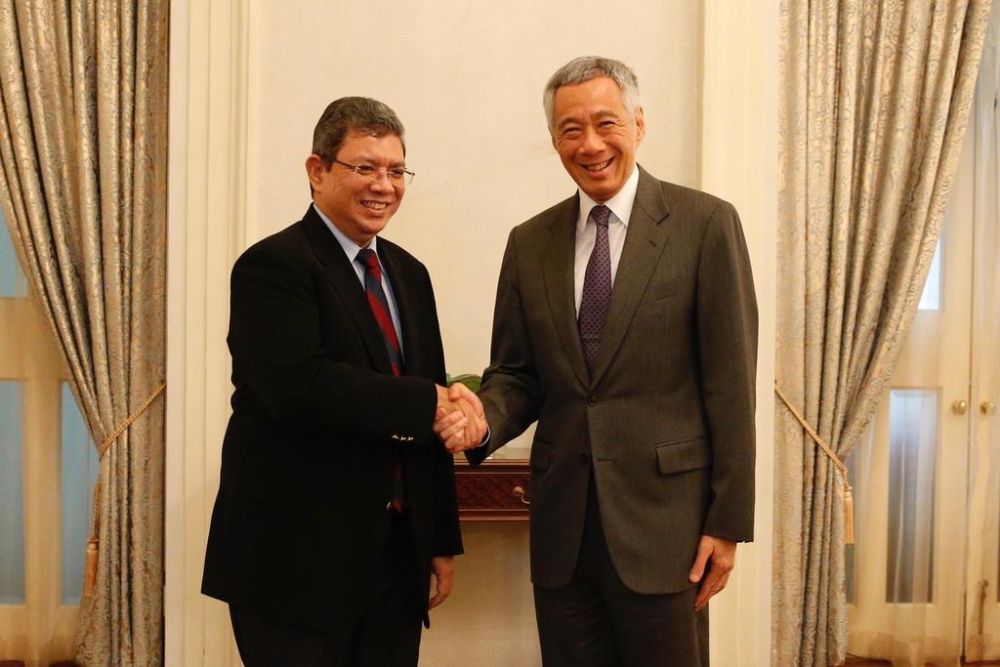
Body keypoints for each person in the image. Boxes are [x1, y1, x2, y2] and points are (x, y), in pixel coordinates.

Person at [443, 56, 758, 666]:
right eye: (570, 129)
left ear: (638, 123)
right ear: (554, 139)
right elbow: (518, 374)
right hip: (564, 531)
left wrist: (727, 523)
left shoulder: (705, 225)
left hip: (666, 529)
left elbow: (731, 387)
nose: (589, 144)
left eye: (605, 123)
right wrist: (482, 415)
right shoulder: (529, 242)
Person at [202, 96, 485, 667]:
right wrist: (430, 400)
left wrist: (438, 539)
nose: (384, 185)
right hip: (296, 565)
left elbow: (424, 414)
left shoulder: (409, 273)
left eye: (396, 170)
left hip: (394, 562)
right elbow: (299, 387)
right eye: (365, 167)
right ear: (317, 170)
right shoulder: (273, 267)